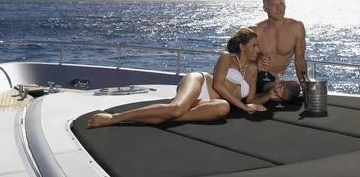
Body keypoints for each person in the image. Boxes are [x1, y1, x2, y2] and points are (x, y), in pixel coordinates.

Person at [87, 27, 280, 128]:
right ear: (242, 47)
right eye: (254, 45)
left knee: (223, 107)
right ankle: (114, 118)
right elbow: (220, 86)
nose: (258, 49)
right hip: (199, 83)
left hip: (210, 102)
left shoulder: (253, 68)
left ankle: (163, 117)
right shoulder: (226, 58)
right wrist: (244, 107)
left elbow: (252, 99)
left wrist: (269, 95)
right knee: (176, 108)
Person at [250, 0, 308, 101]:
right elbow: (235, 53)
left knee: (293, 88)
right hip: (254, 78)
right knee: (283, 90)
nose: (279, 8)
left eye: (281, 3)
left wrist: (306, 89)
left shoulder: (296, 28)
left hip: (274, 81)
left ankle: (264, 96)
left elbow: (300, 61)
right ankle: (260, 96)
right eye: (273, 5)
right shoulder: (255, 31)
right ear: (265, 9)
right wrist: (257, 60)